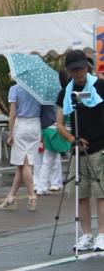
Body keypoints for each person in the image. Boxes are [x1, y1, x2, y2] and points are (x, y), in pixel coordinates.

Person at [56, 49, 104, 252]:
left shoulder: (100, 86)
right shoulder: (65, 93)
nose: (78, 72)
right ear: (68, 70)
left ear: (88, 66)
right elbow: (59, 123)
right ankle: (86, 234)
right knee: (81, 194)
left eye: (81, 68)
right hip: (78, 148)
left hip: (100, 147)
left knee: (101, 193)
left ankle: (102, 234)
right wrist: (73, 140)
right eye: (74, 69)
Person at [0, 82, 41, 211]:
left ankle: (32, 196)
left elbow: (12, 114)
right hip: (35, 124)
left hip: (21, 125)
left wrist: (10, 133)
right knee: (21, 165)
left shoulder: (15, 89)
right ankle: (11, 196)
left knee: (25, 163)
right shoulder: (37, 87)